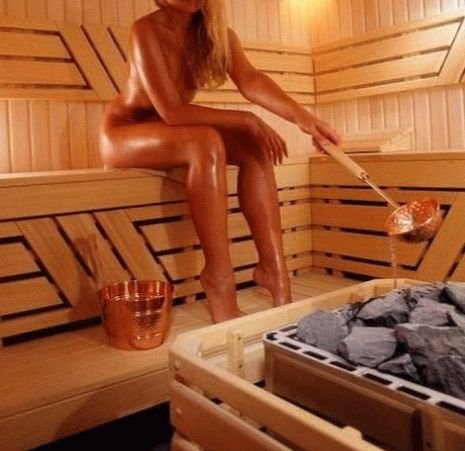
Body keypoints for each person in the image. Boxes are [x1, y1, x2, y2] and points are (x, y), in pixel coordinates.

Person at [99, 0, 341, 323]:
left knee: (252, 145)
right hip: (125, 132)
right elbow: (172, 112)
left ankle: (274, 271)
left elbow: (250, 79)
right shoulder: (145, 30)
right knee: (207, 140)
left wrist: (305, 119)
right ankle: (218, 278)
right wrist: (245, 119)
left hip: (172, 135)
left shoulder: (214, 34)